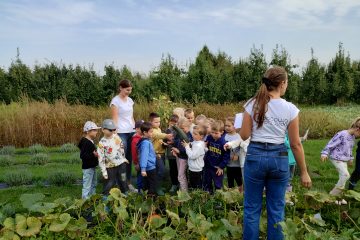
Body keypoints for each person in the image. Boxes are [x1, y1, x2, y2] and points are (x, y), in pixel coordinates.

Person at [240, 66, 311, 240]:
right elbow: (295, 144)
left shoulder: (252, 104)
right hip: (279, 158)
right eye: (287, 82)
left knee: (251, 209)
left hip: (255, 157)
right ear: (282, 83)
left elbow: (244, 135)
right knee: (277, 210)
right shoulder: (290, 109)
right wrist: (304, 172)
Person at [321, 117, 360, 196]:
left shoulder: (352, 137)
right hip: (336, 158)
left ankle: (339, 195)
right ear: (358, 129)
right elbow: (331, 143)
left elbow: (349, 149)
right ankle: (333, 194)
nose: (358, 137)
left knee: (343, 178)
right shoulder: (342, 134)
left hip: (343, 160)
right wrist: (324, 153)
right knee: (346, 175)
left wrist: (350, 158)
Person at [110, 79, 136, 192]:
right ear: (120, 88)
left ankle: (128, 183)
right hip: (121, 132)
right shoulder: (115, 102)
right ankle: (121, 185)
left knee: (129, 159)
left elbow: (131, 117)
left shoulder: (130, 100)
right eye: (127, 90)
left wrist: (135, 129)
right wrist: (114, 134)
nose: (129, 92)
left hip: (131, 131)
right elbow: (115, 118)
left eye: (130, 90)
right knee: (122, 159)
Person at [98, 119, 129, 195]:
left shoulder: (116, 137)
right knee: (109, 182)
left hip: (121, 164)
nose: (112, 131)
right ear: (103, 130)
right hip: (110, 166)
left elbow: (121, 148)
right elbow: (100, 158)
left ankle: (125, 195)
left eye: (114, 129)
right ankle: (105, 198)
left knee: (123, 179)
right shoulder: (102, 143)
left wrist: (124, 158)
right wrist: (104, 171)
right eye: (110, 130)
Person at [203, 120, 230, 193]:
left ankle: (218, 197)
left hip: (217, 167)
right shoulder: (209, 138)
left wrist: (221, 166)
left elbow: (226, 156)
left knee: (218, 183)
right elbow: (206, 148)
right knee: (207, 181)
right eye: (212, 132)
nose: (214, 135)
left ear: (221, 132)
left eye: (216, 133)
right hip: (208, 165)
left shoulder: (223, 142)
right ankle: (208, 195)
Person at [149, 112, 173, 195]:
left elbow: (158, 139)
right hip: (156, 154)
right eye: (156, 122)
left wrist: (163, 143)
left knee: (159, 171)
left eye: (159, 122)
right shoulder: (151, 130)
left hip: (162, 154)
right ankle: (157, 188)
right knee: (161, 170)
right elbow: (158, 135)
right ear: (151, 122)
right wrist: (167, 136)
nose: (158, 123)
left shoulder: (158, 129)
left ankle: (157, 185)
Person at [78, 121, 101, 199]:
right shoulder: (85, 142)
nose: (96, 132)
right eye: (94, 130)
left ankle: (92, 198)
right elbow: (83, 155)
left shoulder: (90, 141)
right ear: (88, 131)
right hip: (88, 168)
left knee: (93, 183)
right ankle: (85, 200)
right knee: (87, 185)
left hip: (92, 166)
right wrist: (93, 155)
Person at [224, 117, 246, 191]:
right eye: (225, 125)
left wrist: (237, 154)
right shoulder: (225, 136)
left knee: (238, 180)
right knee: (230, 180)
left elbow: (241, 146)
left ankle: (240, 193)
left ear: (235, 126)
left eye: (229, 126)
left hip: (237, 164)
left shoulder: (238, 136)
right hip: (228, 163)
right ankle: (231, 194)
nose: (227, 127)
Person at [172, 117, 193, 191]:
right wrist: (174, 150)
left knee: (181, 175)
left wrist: (179, 151)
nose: (181, 130)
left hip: (184, 158)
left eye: (183, 128)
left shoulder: (189, 137)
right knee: (181, 174)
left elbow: (188, 149)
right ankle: (182, 188)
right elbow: (176, 142)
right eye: (180, 129)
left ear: (188, 127)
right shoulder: (178, 134)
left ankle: (184, 192)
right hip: (179, 157)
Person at [183, 125, 207, 190]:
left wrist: (186, 147)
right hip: (192, 168)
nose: (193, 135)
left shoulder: (199, 146)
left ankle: (200, 197)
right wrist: (189, 144)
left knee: (197, 186)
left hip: (197, 170)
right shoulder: (196, 142)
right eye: (193, 133)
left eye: (195, 134)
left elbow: (192, 156)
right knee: (193, 184)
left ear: (201, 136)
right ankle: (195, 194)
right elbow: (193, 144)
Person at [138, 122, 157, 196]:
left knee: (147, 185)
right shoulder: (145, 143)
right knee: (152, 185)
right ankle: (151, 201)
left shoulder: (146, 141)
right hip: (149, 168)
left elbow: (149, 154)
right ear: (145, 132)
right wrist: (143, 169)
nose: (152, 133)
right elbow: (144, 156)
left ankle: (146, 200)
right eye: (151, 132)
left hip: (148, 167)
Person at [164, 114, 180, 193]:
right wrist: (165, 142)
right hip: (170, 155)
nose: (173, 124)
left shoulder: (179, 131)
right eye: (172, 123)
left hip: (178, 154)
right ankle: (174, 184)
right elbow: (164, 140)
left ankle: (180, 184)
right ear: (169, 122)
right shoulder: (167, 131)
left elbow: (180, 141)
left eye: (175, 123)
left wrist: (173, 142)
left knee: (179, 170)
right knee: (172, 170)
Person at [131, 120, 144, 193]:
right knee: (140, 176)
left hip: (144, 161)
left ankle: (143, 189)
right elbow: (134, 153)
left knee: (144, 176)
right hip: (139, 162)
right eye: (141, 127)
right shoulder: (135, 140)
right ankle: (140, 190)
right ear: (136, 129)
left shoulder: (144, 137)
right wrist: (136, 163)